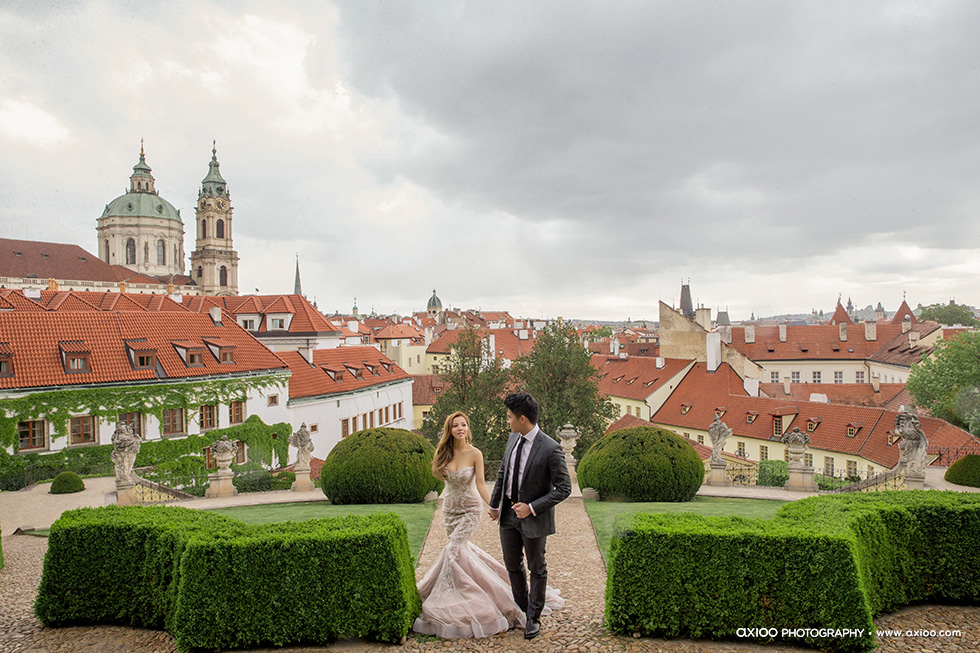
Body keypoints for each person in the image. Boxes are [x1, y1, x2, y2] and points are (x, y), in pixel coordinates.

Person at [415, 411, 561, 638]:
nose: (460, 429)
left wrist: (495, 506)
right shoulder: (442, 453)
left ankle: (459, 597)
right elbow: (442, 481)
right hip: (449, 510)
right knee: (460, 551)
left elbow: (482, 484)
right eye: (456, 426)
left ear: (468, 428)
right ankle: (462, 587)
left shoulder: (475, 454)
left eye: (464, 425)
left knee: (453, 549)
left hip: (470, 509)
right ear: (449, 430)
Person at [489, 392, 571, 640]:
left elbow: (564, 488)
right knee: (512, 566)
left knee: (537, 567)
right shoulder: (512, 439)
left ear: (522, 418)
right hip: (508, 517)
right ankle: (524, 610)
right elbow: (503, 472)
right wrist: (495, 504)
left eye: (510, 417)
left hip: (534, 518)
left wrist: (532, 507)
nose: (508, 421)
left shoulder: (551, 448)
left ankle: (533, 619)